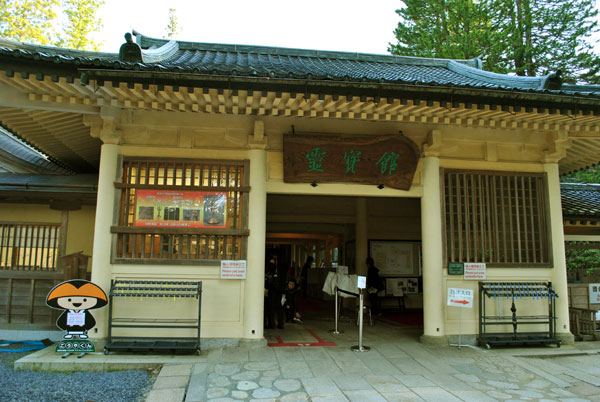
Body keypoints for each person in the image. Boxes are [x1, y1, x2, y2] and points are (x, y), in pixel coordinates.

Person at [265, 253, 285, 329]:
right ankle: (280, 324)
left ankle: (272, 324)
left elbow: (268, 274)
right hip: (279, 289)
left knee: (271, 307)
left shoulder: (270, 264)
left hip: (272, 289)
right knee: (279, 307)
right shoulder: (281, 265)